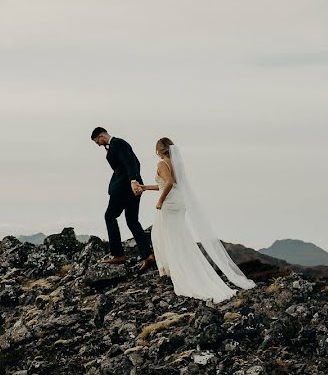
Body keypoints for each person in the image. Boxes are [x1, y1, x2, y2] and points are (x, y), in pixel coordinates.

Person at [133, 137, 255, 302]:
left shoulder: (162, 163)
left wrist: (160, 200)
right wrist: (145, 187)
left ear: (159, 150)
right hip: (178, 201)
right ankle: (180, 268)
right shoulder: (175, 163)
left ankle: (176, 271)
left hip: (169, 203)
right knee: (178, 236)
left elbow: (168, 183)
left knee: (164, 236)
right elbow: (168, 184)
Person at [90, 127, 155, 272]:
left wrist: (133, 181)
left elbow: (132, 162)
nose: (98, 144)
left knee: (109, 216)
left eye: (97, 141)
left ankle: (118, 254)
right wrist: (109, 155)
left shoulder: (118, 143)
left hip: (123, 188)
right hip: (131, 187)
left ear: (101, 136)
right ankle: (147, 255)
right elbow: (120, 165)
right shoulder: (113, 147)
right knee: (132, 221)